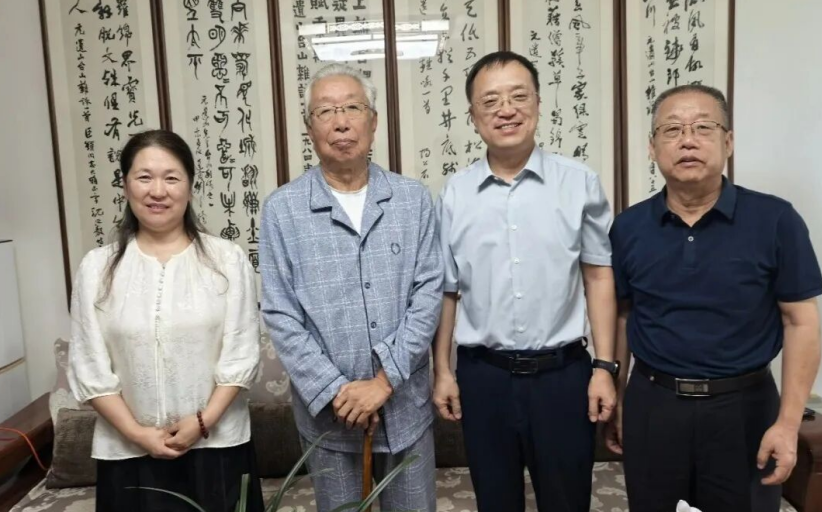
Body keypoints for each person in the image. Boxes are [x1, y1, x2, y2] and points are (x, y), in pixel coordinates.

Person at [606, 84, 822, 512]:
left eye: (703, 127)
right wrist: (619, 398)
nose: (687, 140)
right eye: (672, 130)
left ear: (728, 142)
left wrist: (787, 422)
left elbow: (801, 321)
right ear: (652, 147)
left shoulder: (776, 219)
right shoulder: (628, 227)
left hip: (744, 407)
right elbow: (623, 317)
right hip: (654, 403)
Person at [433, 50, 619, 512]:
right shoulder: (455, 193)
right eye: (491, 101)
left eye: (519, 96)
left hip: (563, 376)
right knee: (495, 501)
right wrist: (442, 371)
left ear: (537, 103)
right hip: (483, 377)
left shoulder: (578, 182)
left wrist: (604, 367)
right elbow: (448, 291)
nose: (506, 110)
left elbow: (599, 276)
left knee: (567, 501)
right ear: (473, 116)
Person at [259, 63, 443, 512]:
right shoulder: (283, 210)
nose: (340, 122)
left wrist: (384, 380)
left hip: (405, 409)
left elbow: (428, 293)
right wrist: (337, 392)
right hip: (330, 418)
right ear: (309, 128)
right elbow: (280, 313)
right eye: (326, 111)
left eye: (352, 108)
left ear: (373, 121)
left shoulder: (412, 200)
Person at [67, 130, 263, 512]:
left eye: (171, 178)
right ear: (125, 185)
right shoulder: (97, 268)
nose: (158, 191)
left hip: (216, 447)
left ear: (190, 186)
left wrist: (201, 423)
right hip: (127, 451)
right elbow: (89, 365)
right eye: (144, 177)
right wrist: (138, 434)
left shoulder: (227, 260)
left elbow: (241, 354)